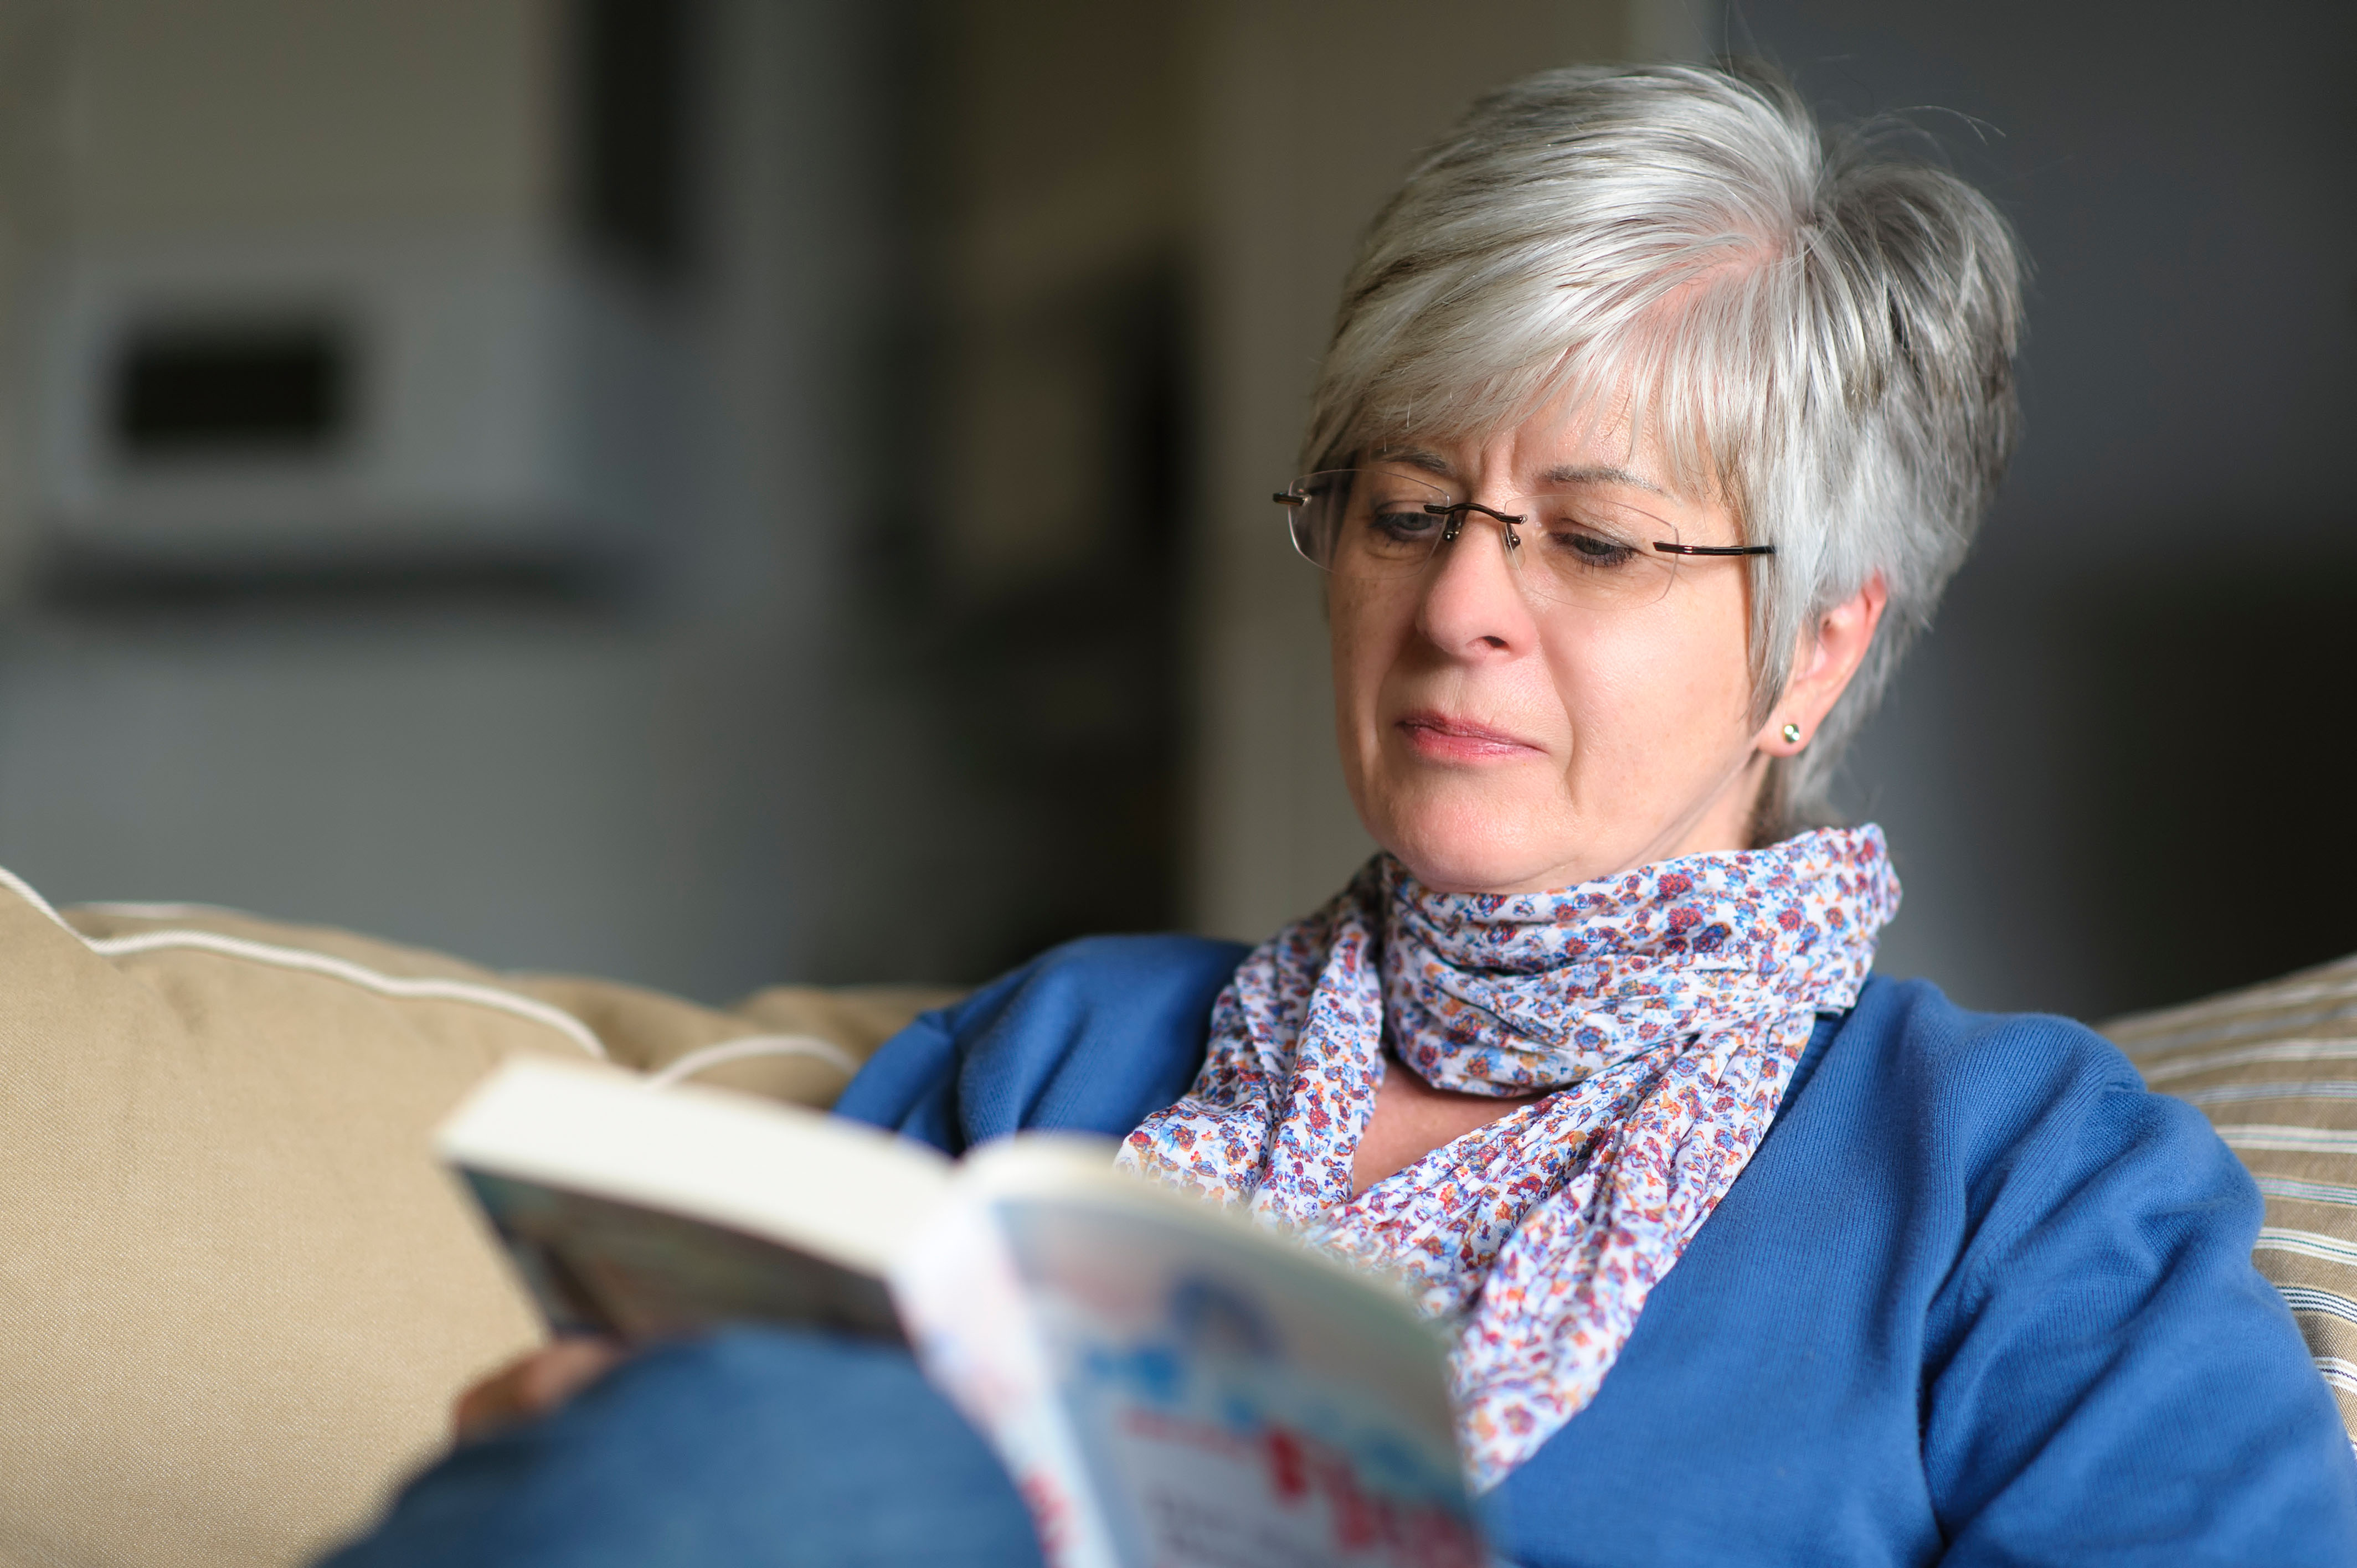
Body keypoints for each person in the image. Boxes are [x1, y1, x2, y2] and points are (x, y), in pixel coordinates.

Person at [325, 60, 2357, 1567]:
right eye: (1407, 511)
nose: (1461, 605)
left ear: (1814, 655)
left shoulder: (2019, 1187)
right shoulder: (1061, 1049)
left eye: (1597, 540)